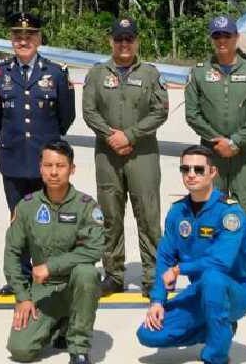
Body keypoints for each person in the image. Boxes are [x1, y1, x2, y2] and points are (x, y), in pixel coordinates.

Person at [136, 145, 246, 364]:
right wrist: (157, 300)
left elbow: (220, 262)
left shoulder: (230, 214)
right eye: (186, 169)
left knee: (213, 279)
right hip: (200, 292)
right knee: (148, 333)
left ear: (212, 173)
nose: (191, 174)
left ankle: (216, 356)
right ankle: (219, 329)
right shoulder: (178, 212)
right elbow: (165, 257)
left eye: (199, 170)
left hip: (235, 290)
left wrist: (180, 269)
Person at [184, 14, 246, 308]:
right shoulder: (198, 73)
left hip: (244, 156)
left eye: (227, 36)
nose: (222, 42)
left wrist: (236, 141)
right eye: (217, 37)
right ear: (212, 39)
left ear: (236, 39)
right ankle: (206, 278)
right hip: (212, 157)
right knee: (208, 217)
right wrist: (217, 140)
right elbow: (192, 114)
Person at [0, 12, 74, 296]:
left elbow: (65, 117)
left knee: (49, 220)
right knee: (17, 220)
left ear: (39, 39)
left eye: (29, 36)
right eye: (17, 37)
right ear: (11, 40)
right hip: (13, 158)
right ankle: (19, 276)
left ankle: (48, 273)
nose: (23, 41)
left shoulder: (56, 72)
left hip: (45, 162)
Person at [81, 17, 168, 297]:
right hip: (108, 155)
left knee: (148, 215)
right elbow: (89, 110)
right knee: (110, 216)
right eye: (119, 39)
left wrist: (129, 135)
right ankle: (113, 273)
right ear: (111, 41)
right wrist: (111, 136)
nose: (124, 44)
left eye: (129, 39)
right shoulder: (97, 73)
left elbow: (160, 110)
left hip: (142, 153)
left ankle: (153, 275)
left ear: (136, 41)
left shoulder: (151, 74)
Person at [4, 140, 104, 364]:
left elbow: (95, 249)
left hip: (74, 287)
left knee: (87, 273)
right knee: (20, 350)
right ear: (40, 168)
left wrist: (51, 266)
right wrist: (22, 297)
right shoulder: (27, 207)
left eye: (60, 166)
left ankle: (78, 346)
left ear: (72, 169)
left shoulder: (86, 206)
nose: (54, 172)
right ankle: (59, 322)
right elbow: (12, 253)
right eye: (48, 166)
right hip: (44, 291)